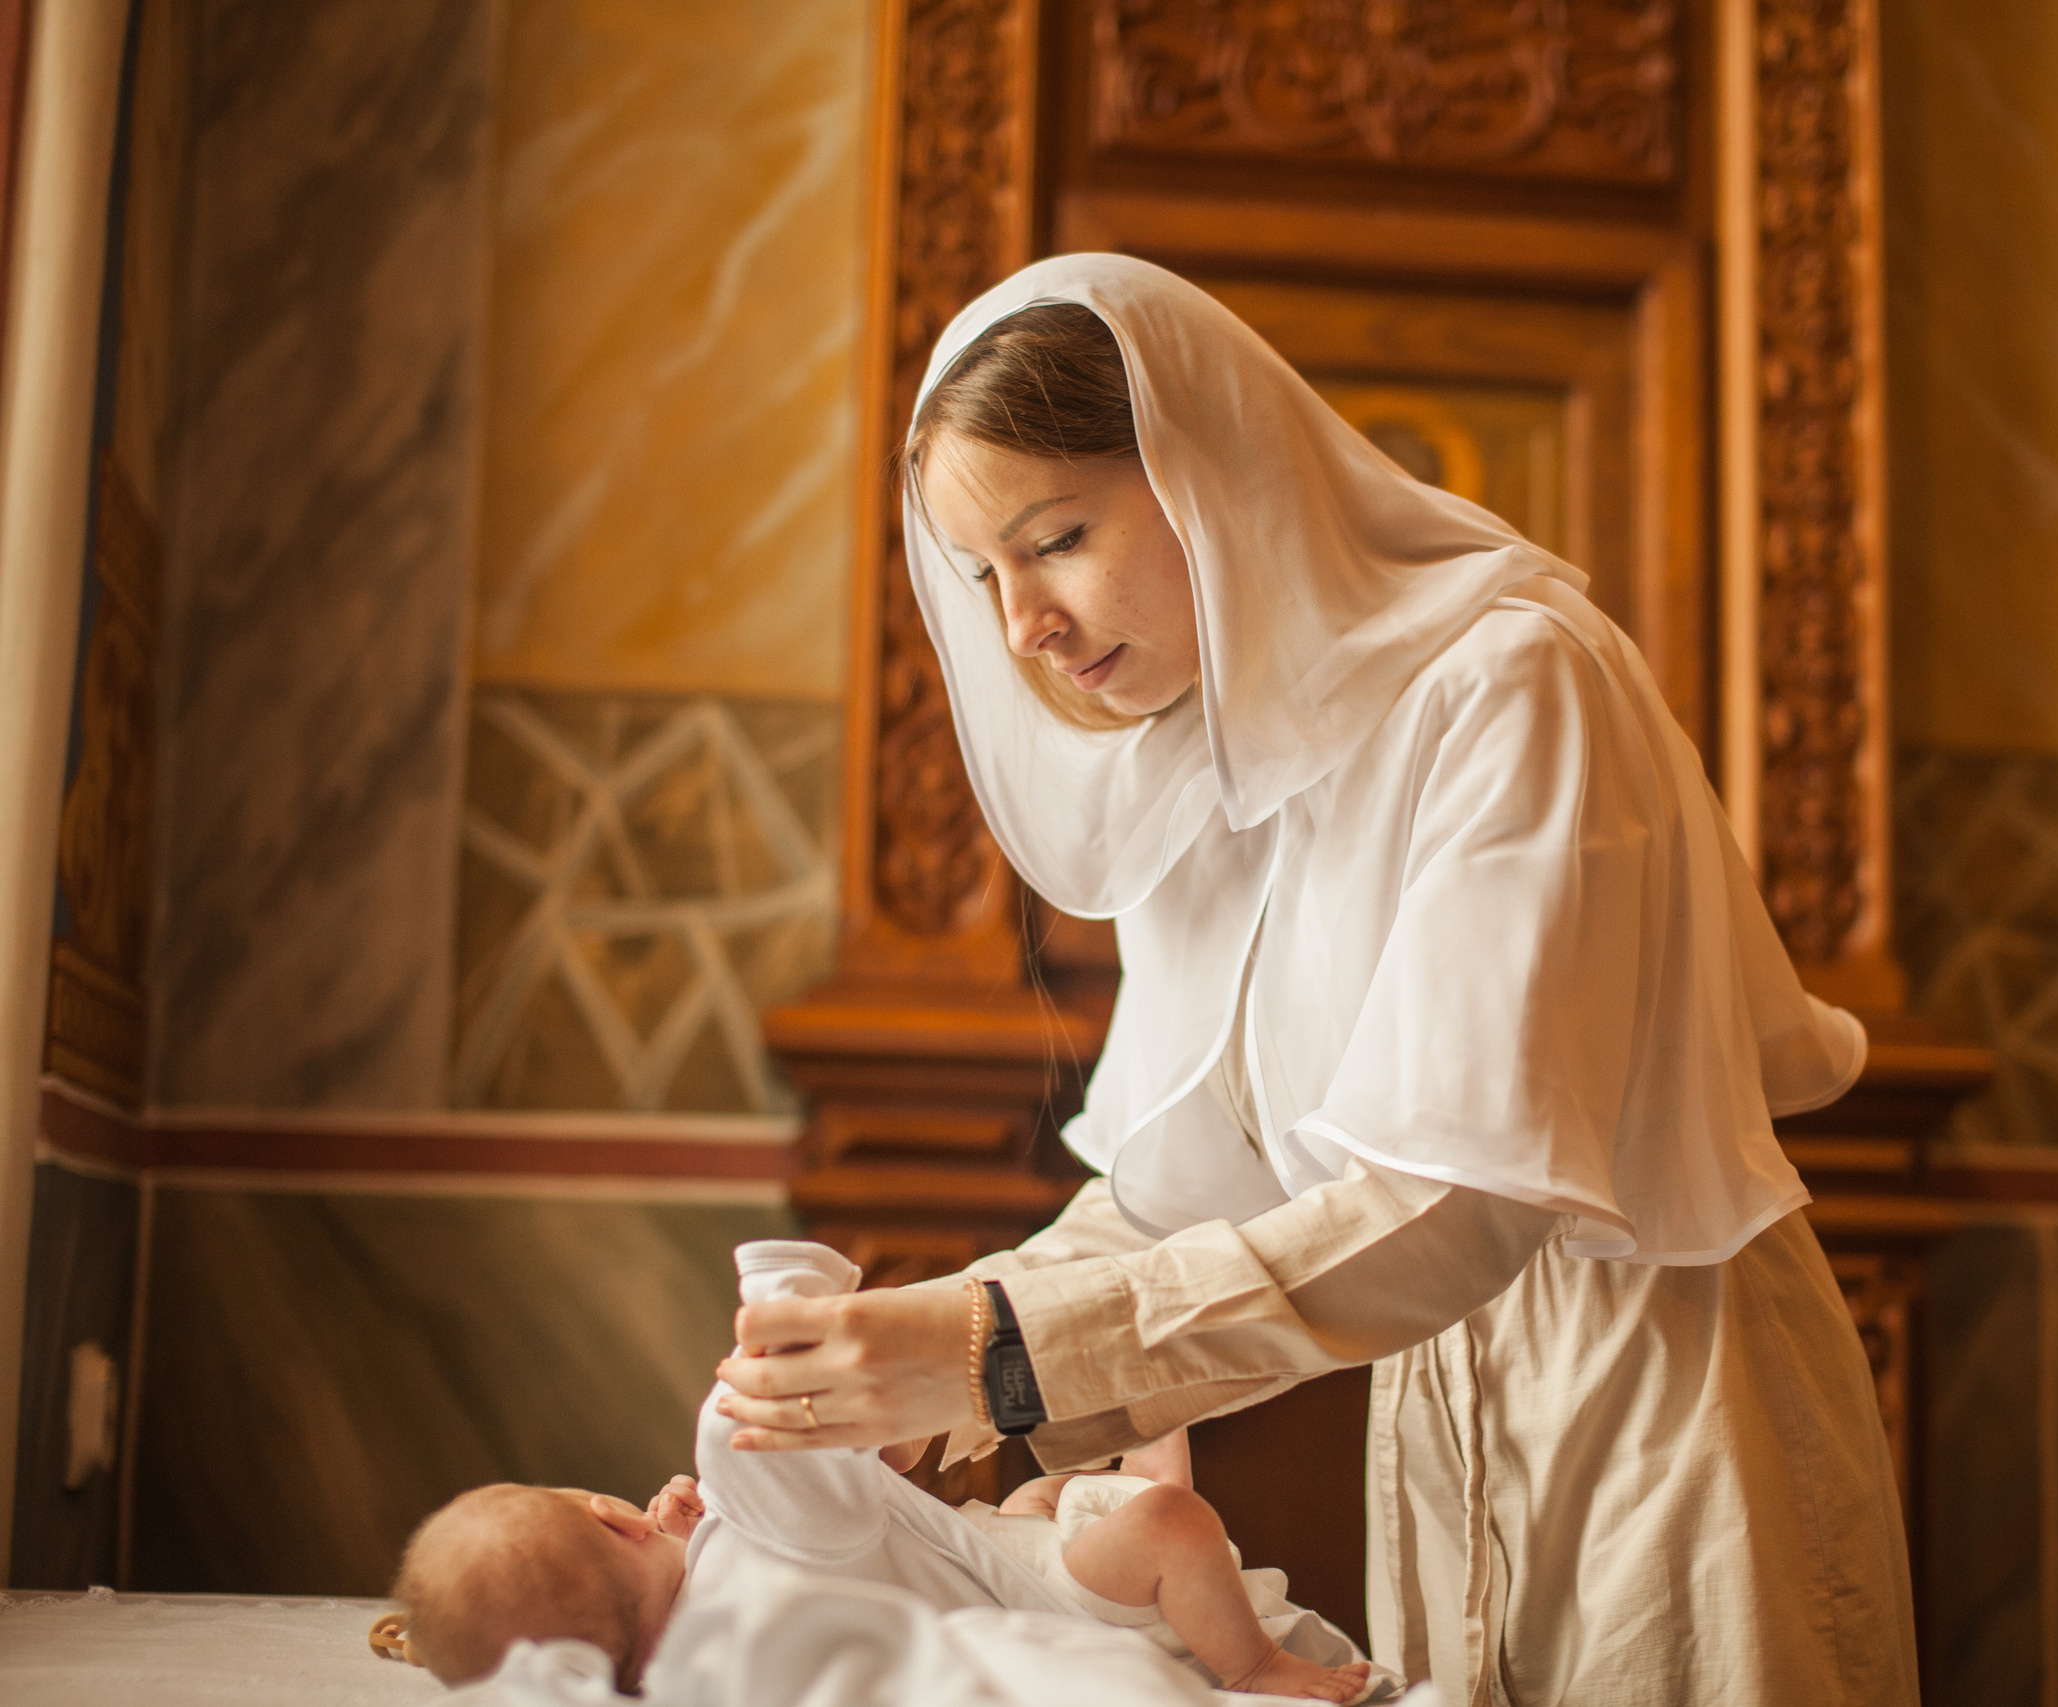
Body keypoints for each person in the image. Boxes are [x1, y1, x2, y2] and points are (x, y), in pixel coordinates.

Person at [712, 255, 1920, 1705]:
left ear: (1209, 468)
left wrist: (991, 1356)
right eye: (988, 574)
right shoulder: (1206, 771)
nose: (1022, 622)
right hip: (1424, 1442)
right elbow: (1180, 1194)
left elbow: (1465, 1206)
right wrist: (911, 1355)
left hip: (1671, 1431)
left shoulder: (1515, 681)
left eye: (1057, 537)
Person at [380, 1240, 1375, 1700]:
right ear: (613, 1520)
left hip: (989, 1592)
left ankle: (1129, 1466)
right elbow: (766, 1388)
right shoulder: (750, 1493)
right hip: (1071, 1624)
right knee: (1163, 1522)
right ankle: (1257, 1670)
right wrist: (785, 1286)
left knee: (1032, 1500)